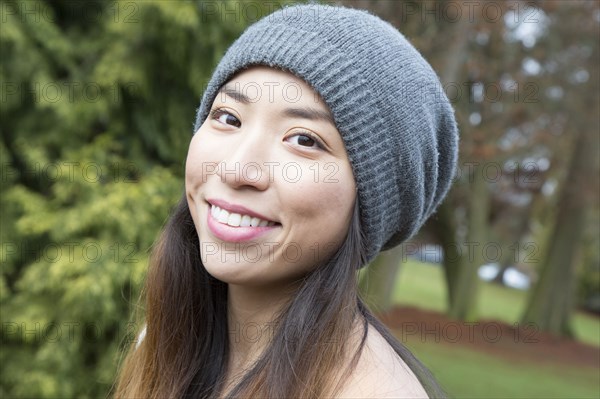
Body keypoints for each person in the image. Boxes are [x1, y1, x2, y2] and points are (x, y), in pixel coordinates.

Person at [114, 4, 458, 398]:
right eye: (228, 117)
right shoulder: (165, 345)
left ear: (372, 201)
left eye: (304, 140)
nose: (237, 169)